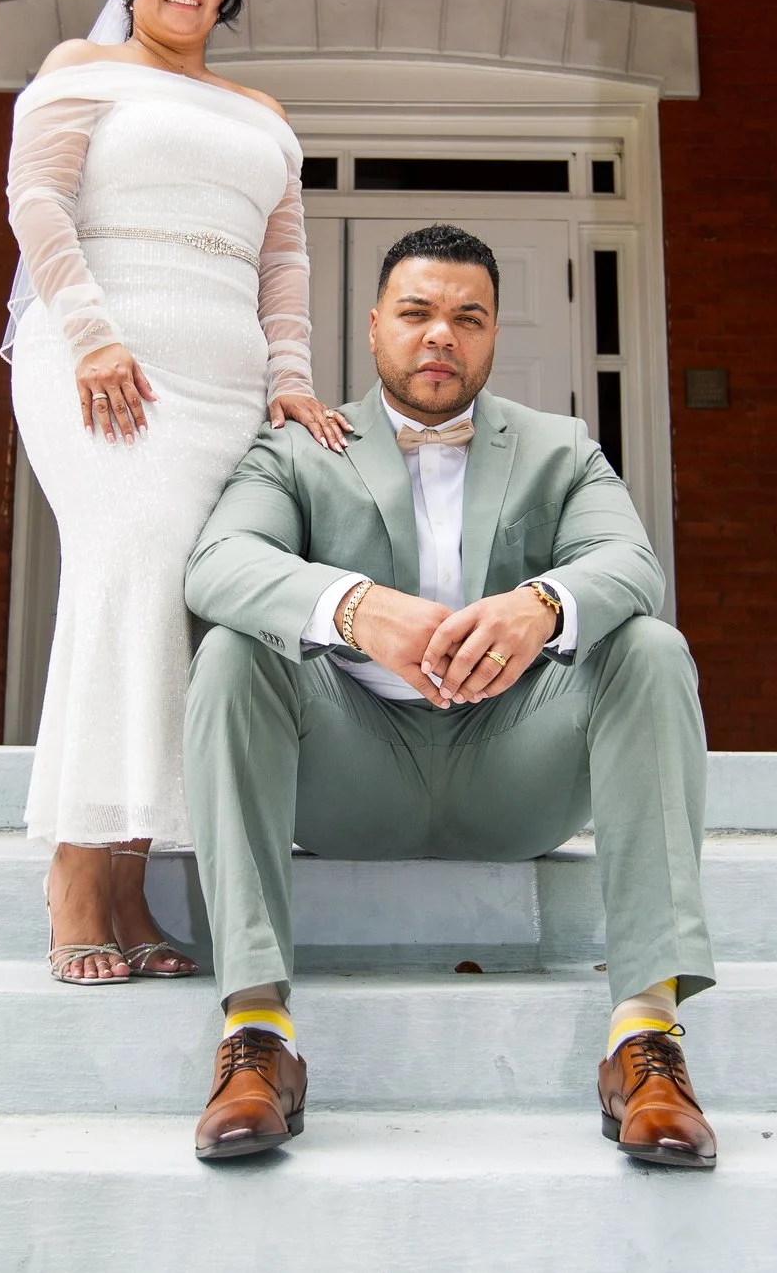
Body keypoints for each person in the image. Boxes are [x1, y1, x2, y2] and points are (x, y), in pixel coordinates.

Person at [180, 224, 720, 1167]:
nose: (442, 336)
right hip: (349, 771)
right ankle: (260, 1035)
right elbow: (218, 563)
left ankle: (646, 1040)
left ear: (495, 333)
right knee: (232, 650)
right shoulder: (300, 448)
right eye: (419, 313)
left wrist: (540, 607)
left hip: (515, 770)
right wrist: (352, 608)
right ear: (376, 324)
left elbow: (631, 564)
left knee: (651, 648)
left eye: (468, 318)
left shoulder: (559, 447)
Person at [3, 0, 355, 986]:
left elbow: (282, 263)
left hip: (222, 386)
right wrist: (98, 339)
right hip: (106, 367)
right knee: (127, 574)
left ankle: (133, 878)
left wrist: (289, 380)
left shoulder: (263, 114)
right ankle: (75, 870)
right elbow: (38, 205)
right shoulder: (78, 69)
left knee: (183, 601)